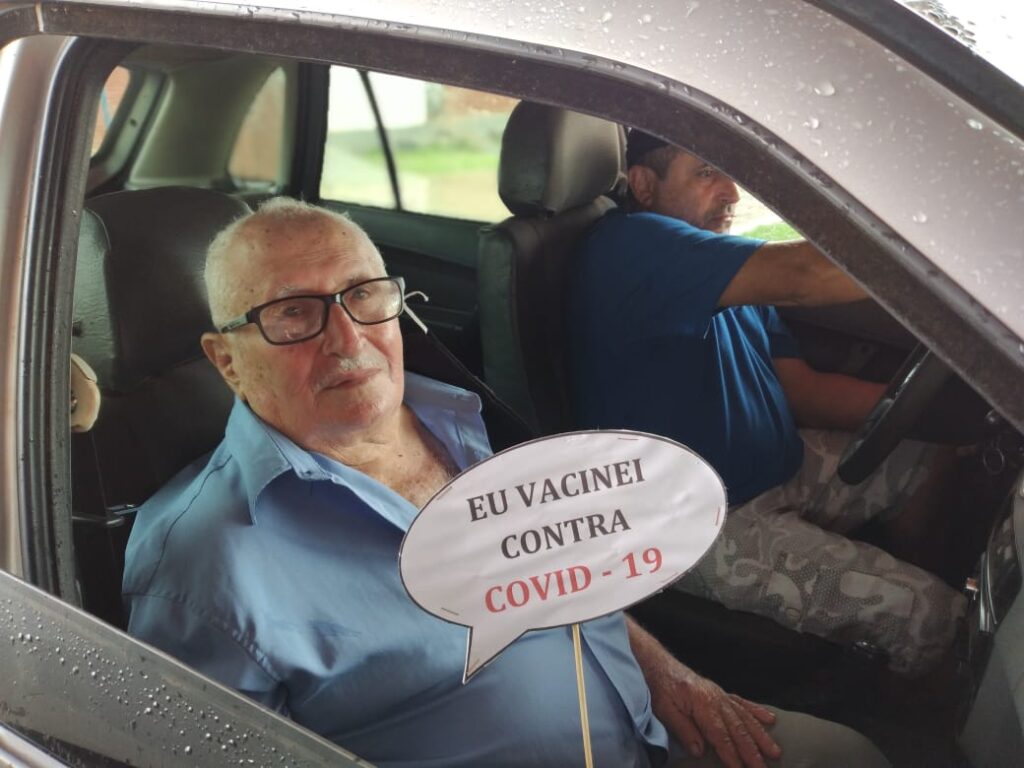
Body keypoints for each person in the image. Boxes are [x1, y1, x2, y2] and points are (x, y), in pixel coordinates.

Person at [123, 197, 888, 768]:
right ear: (226, 360)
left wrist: (668, 675)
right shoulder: (200, 569)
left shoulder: (455, 419)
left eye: (363, 294)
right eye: (293, 315)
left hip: (649, 732)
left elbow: (553, 576)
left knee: (849, 756)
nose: (348, 339)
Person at [566, 130, 966, 678]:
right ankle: (906, 698)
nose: (732, 191)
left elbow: (805, 392)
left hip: (778, 466)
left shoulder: (719, 262)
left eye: (731, 172)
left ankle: (890, 639)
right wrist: (954, 244)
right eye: (706, 172)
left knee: (929, 459)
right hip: (705, 524)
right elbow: (809, 275)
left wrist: (945, 419)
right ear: (643, 184)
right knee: (934, 616)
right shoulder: (632, 244)